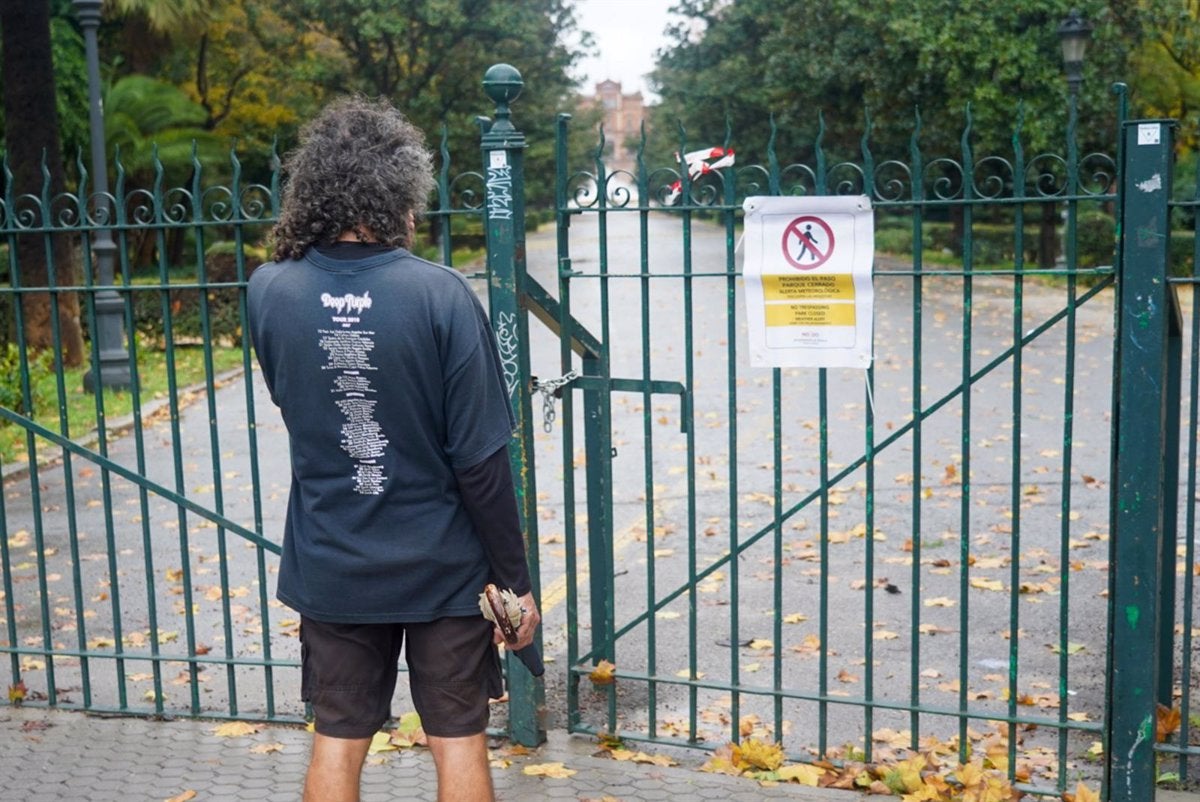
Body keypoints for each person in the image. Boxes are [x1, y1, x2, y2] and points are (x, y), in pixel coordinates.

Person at [247, 95, 540, 802]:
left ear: (313, 189)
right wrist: (516, 583)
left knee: (338, 741)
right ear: (398, 190)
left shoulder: (268, 290)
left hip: (334, 560)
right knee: (459, 740)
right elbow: (479, 460)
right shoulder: (438, 294)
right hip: (444, 568)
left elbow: (296, 404)